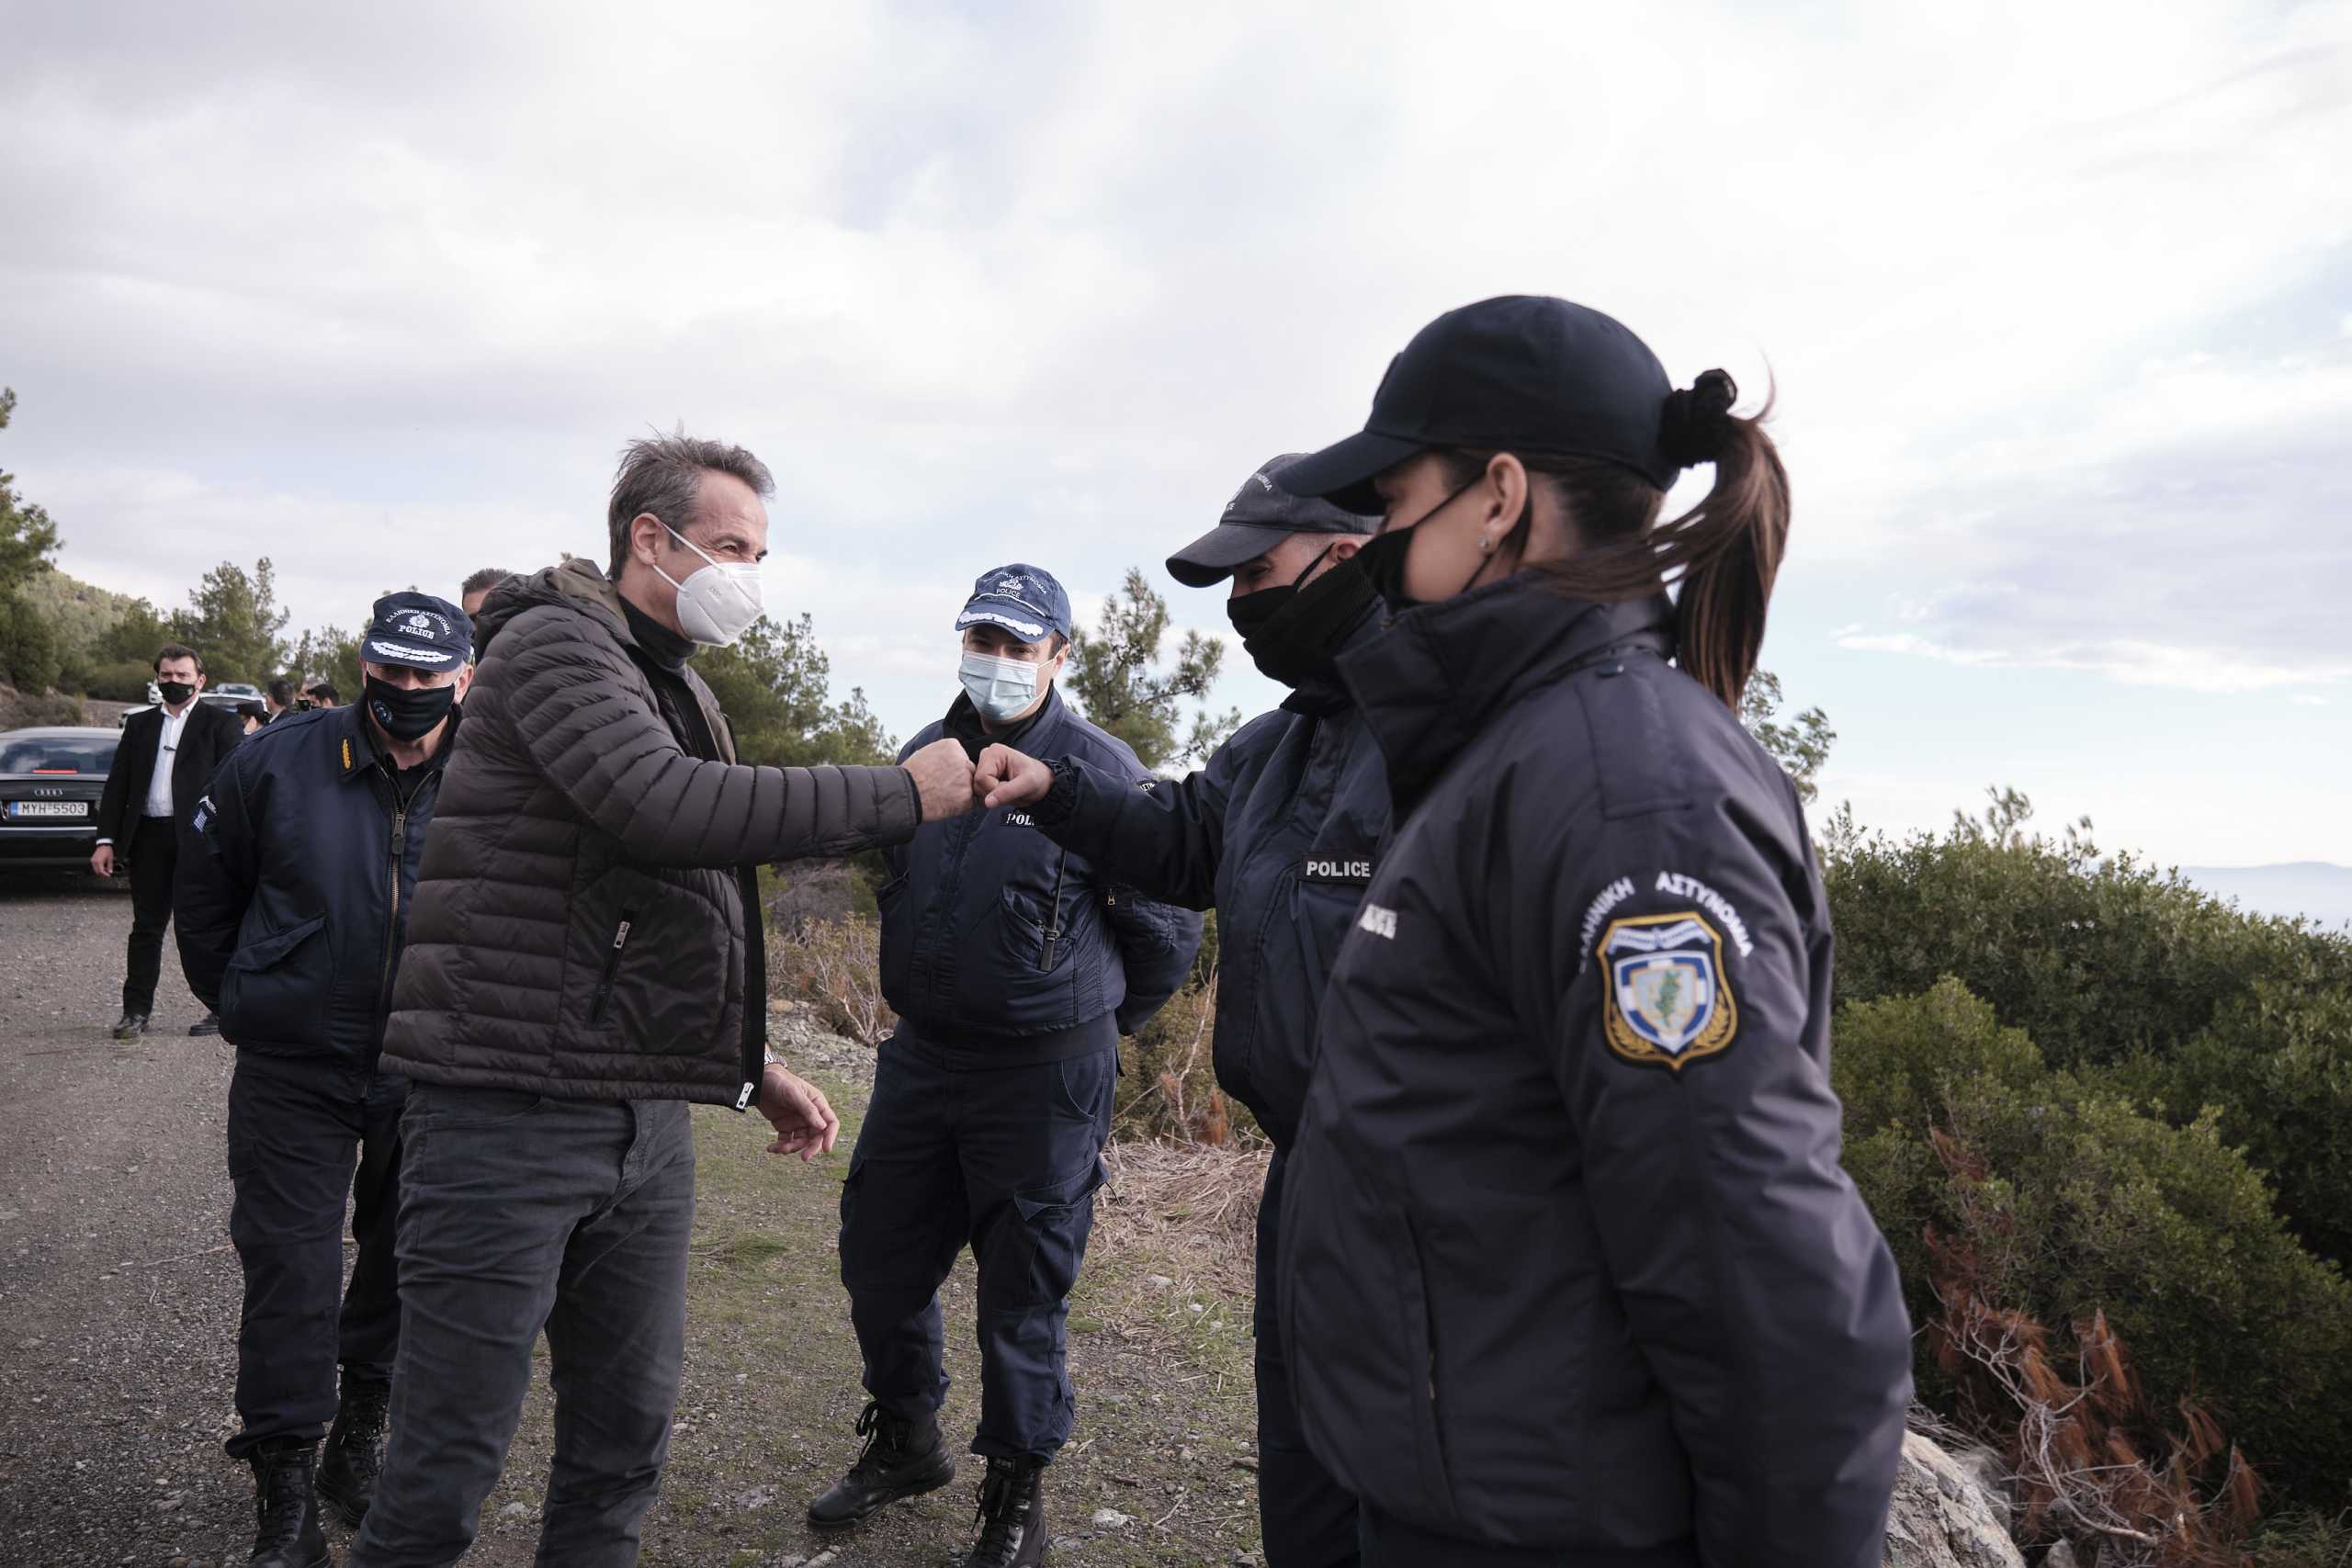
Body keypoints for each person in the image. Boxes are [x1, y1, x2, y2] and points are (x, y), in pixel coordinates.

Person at [1251, 296, 1916, 1567]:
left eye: (1395, 503)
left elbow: (1758, 1263)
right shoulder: (1518, 749)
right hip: (1470, 1492)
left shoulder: (1626, 793)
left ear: (1497, 496)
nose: (1379, 541)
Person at [346, 434, 979, 1568]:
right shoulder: (551, 647)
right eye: (732, 545)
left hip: (639, 1115)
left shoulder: (671, 675)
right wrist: (900, 794)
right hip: (503, 1112)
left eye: (760, 552)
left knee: (625, 1434)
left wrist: (740, 1065)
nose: (749, 572)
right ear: (652, 537)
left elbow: (688, 896)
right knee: (448, 1458)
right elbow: (666, 807)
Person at [974, 461, 1385, 1567]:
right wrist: (1057, 792)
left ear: (1344, 560)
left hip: (1424, 1202)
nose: (1241, 603)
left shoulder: (1445, 743)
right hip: (1301, 1181)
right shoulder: (1281, 742)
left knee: (1402, 1496)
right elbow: (1183, 842)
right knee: (1302, 1491)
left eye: (1258, 571)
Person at [814, 565, 1202, 1568]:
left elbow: (1164, 933)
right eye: (980, 639)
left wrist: (1083, 1022)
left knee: (1022, 1291)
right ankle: (907, 1440)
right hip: (922, 1058)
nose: (993, 659)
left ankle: (1016, 1489)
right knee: (879, 1261)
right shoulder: (924, 756)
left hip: (1044, 1076)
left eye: (1017, 645)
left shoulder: (1102, 770)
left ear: (1058, 656)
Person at [175, 593, 475, 1568]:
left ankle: (361, 1433)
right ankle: (287, 1483)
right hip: (294, 1066)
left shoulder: (494, 775)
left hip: (430, 1070)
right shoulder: (280, 757)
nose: (406, 692)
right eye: (390, 671)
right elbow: (207, 885)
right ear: (364, 665)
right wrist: (248, 994)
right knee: (288, 1270)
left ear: (462, 678)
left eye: (428, 677)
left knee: (404, 1267)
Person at [90, 642, 245, 1040]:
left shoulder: (221, 724)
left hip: (200, 840)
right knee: (146, 929)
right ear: (157, 677)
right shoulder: (139, 725)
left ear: (200, 679)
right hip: (149, 840)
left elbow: (236, 784)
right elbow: (118, 785)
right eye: (166, 675)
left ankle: (220, 1008)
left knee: (208, 928)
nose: (173, 682)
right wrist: (105, 839)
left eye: (182, 675)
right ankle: (135, 1013)